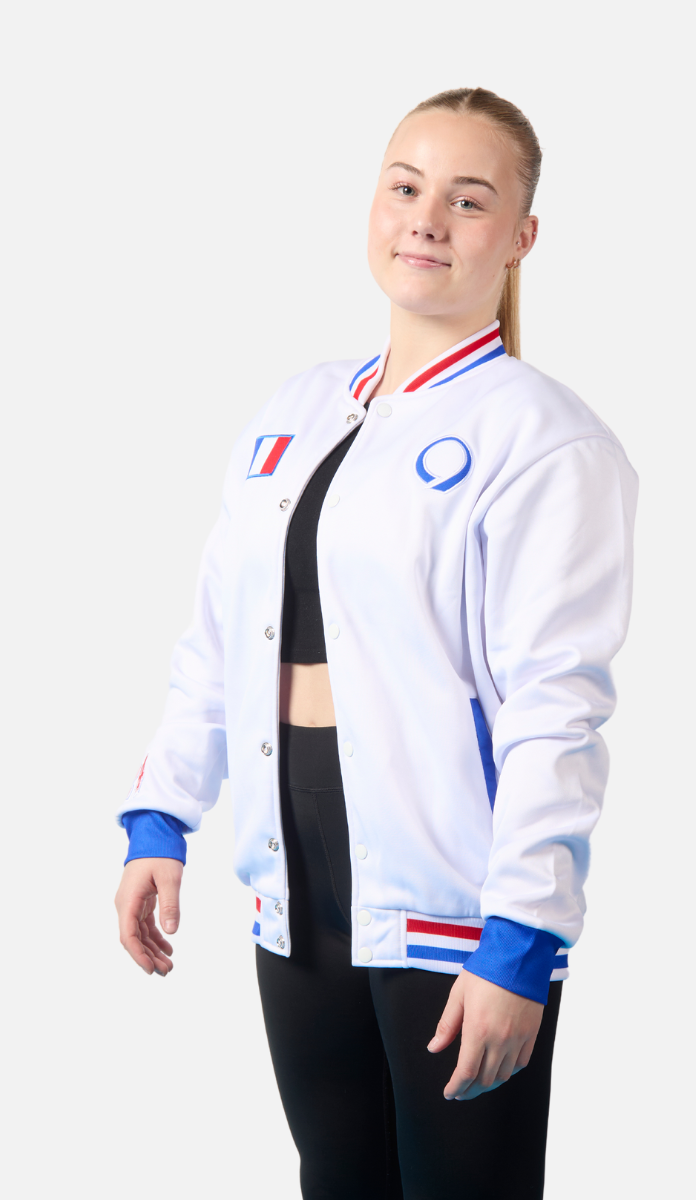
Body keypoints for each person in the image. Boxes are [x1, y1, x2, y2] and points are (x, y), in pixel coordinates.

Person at [114, 86, 638, 1199]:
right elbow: (218, 638)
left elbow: (557, 707)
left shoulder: (546, 440)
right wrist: (162, 816)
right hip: (294, 878)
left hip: (453, 898)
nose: (426, 220)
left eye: (467, 200)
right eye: (406, 187)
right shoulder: (296, 411)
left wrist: (521, 940)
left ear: (520, 238)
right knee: (336, 1180)